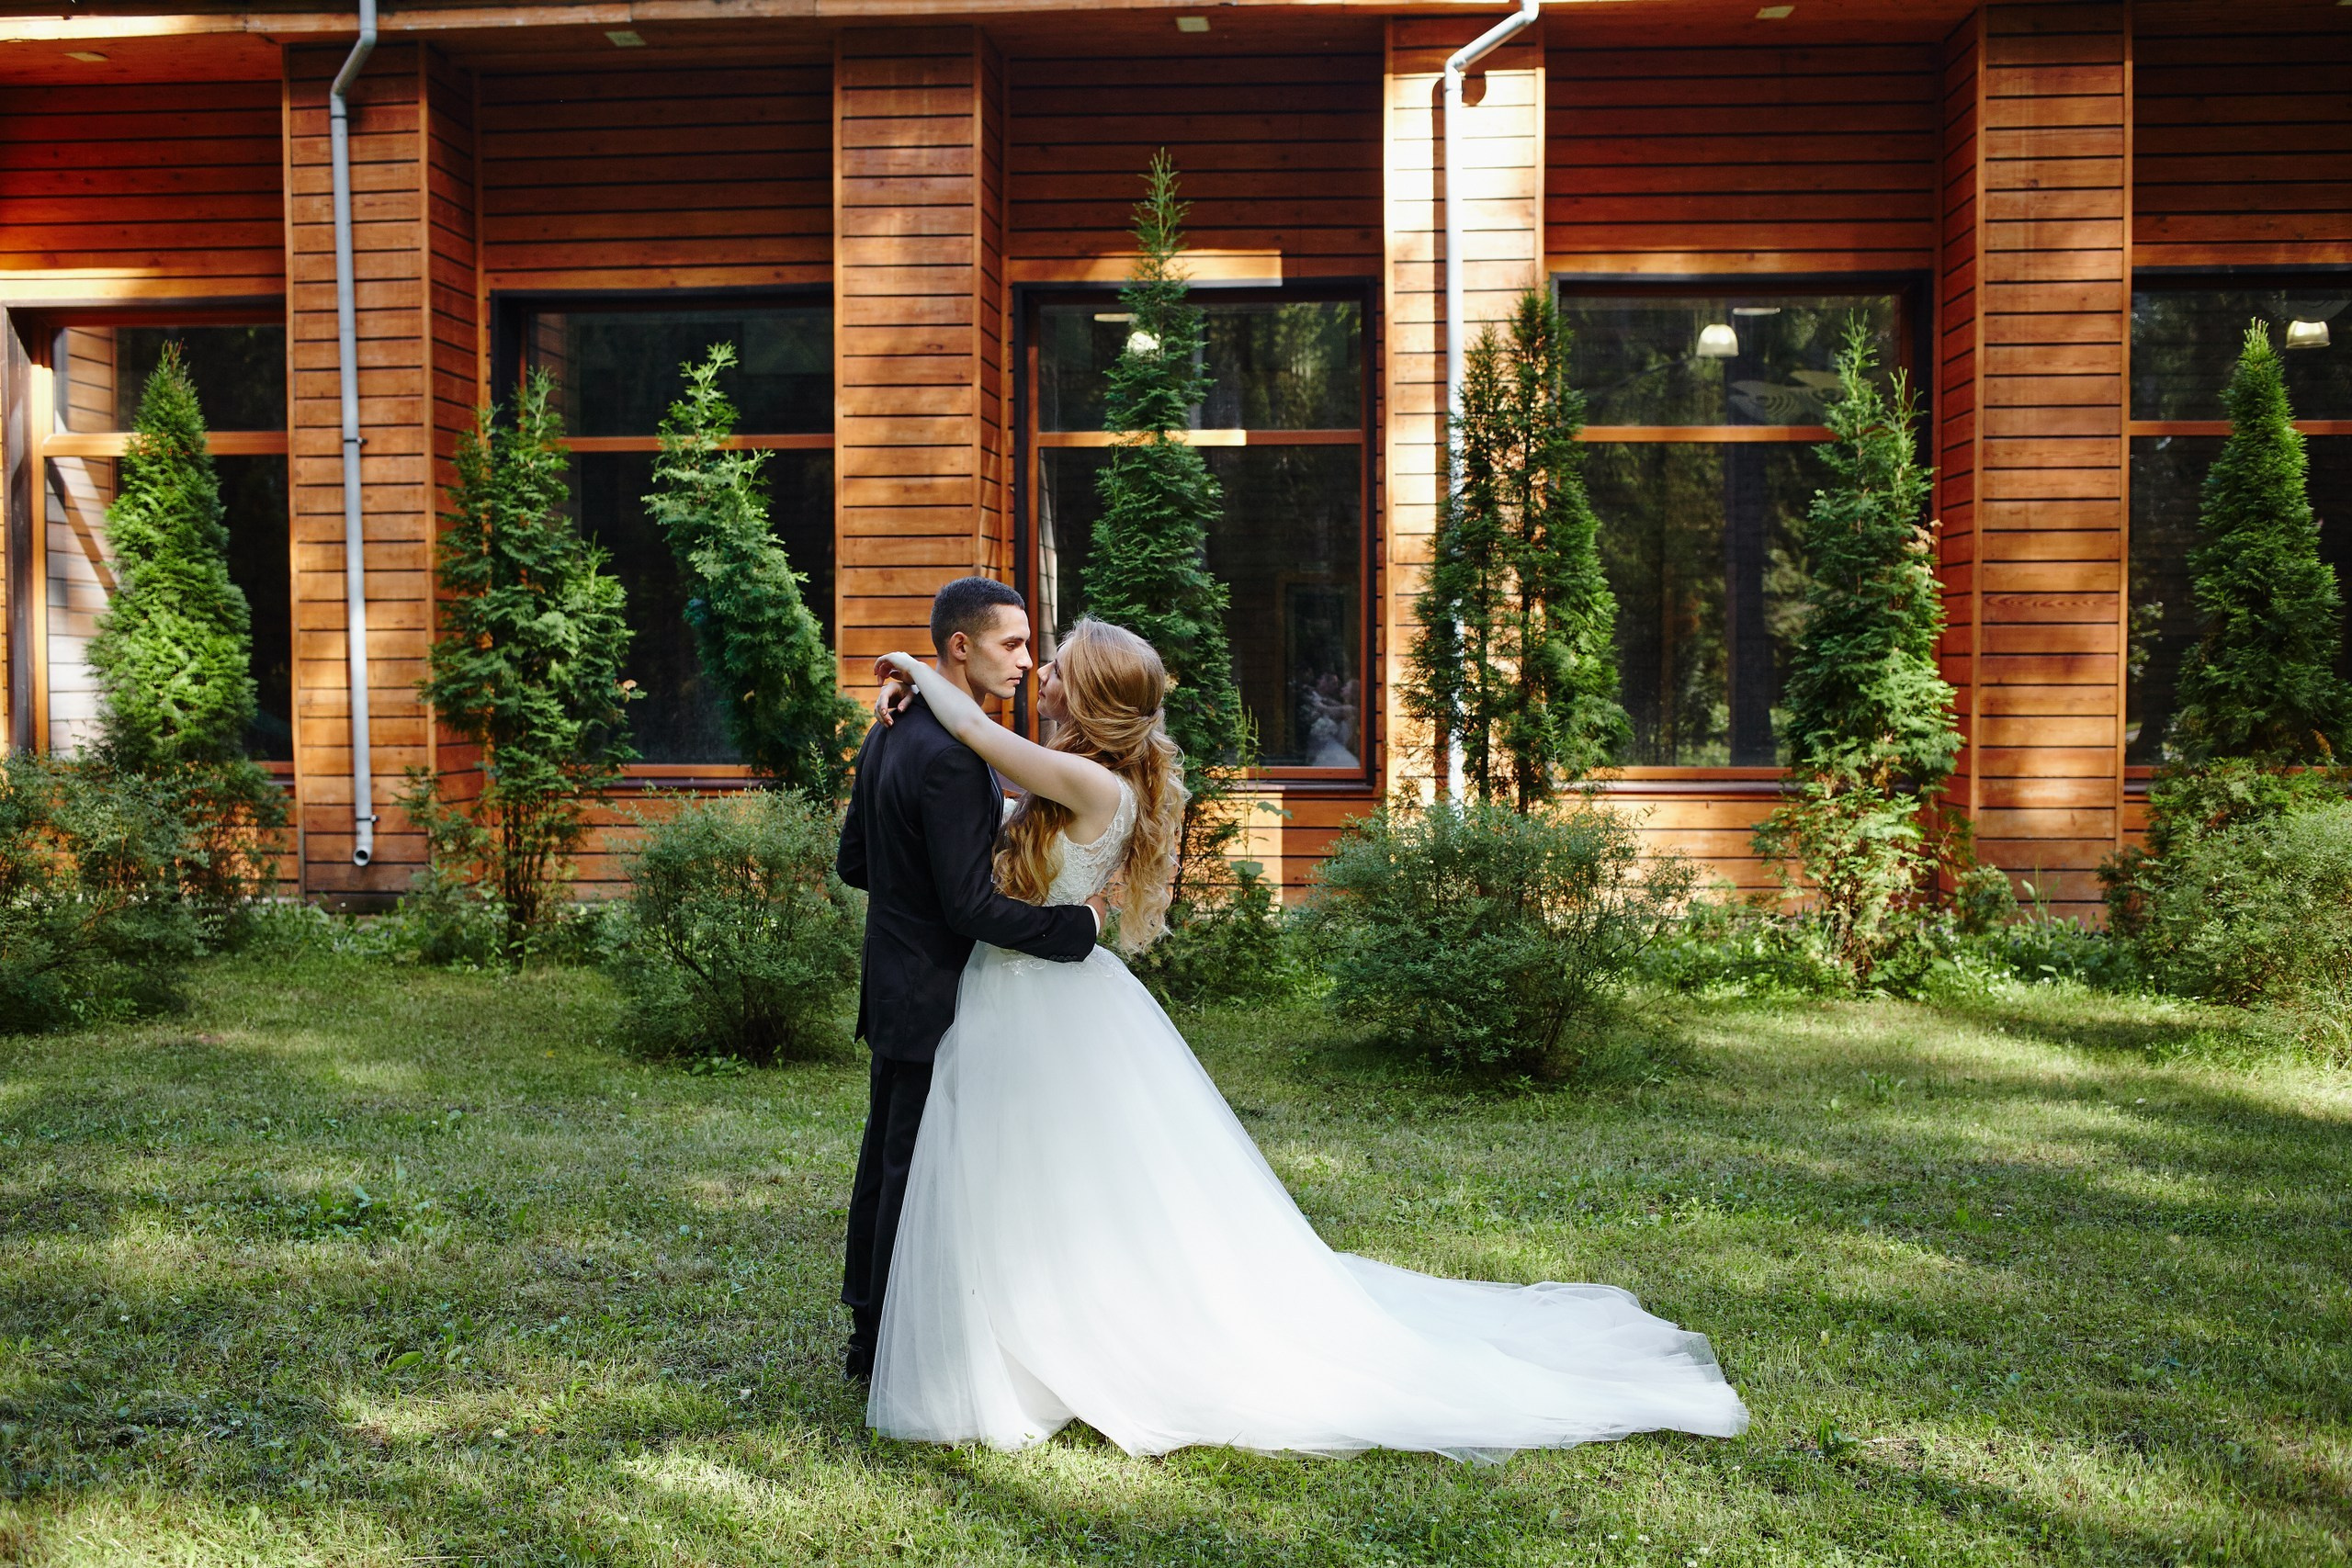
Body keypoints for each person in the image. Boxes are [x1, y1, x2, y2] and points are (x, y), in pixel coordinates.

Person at [861, 615, 1749, 1461]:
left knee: (1059, 1176)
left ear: (1085, 697)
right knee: (1034, 1179)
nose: (1039, 672)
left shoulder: (1091, 784)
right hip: (1023, 997)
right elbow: (985, 771)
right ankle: (1023, 1333)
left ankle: (1073, 1342)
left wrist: (910, 666)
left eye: (1055, 664)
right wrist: (913, 701)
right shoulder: (1071, 771)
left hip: (1046, 1001)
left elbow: (978, 735)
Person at [834, 578, 1105, 1384]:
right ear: (961, 646)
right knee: (913, 1170)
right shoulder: (954, 755)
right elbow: (970, 905)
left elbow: (857, 861)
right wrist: (1073, 928)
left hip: (892, 976)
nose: (1027, 660)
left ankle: (870, 1333)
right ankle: (884, 1346)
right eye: (1012, 644)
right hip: (937, 986)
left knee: (888, 1160)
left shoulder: (892, 725)